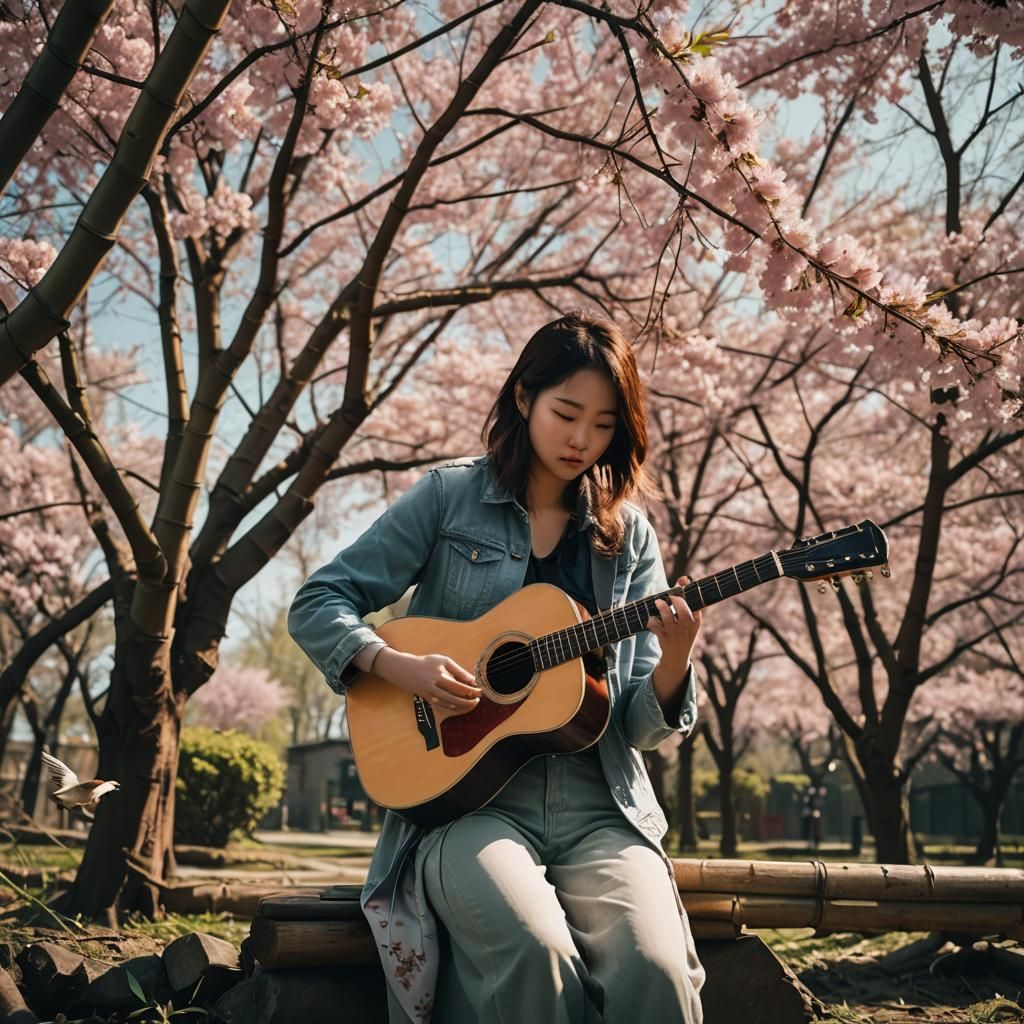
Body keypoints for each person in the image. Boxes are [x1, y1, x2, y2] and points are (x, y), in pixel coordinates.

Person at [288, 313, 706, 1024]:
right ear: (523, 399)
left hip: (599, 807)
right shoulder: (449, 498)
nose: (582, 440)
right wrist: (396, 666)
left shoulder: (626, 535)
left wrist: (675, 659)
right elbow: (319, 600)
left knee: (658, 971)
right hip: (465, 806)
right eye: (566, 413)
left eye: (604, 425)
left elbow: (636, 726)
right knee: (532, 950)